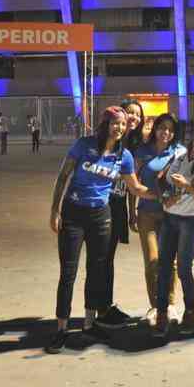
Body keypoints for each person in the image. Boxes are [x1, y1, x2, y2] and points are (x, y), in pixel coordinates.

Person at [46, 106, 155, 354]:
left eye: (124, 124)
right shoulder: (83, 145)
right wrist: (55, 210)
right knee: (68, 273)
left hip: (100, 216)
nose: (120, 127)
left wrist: (163, 195)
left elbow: (135, 188)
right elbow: (63, 176)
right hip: (73, 213)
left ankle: (88, 324)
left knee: (96, 271)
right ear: (105, 124)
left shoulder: (124, 156)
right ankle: (61, 329)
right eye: (115, 123)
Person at [153, 122, 194, 338]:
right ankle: (161, 313)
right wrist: (165, 198)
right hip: (170, 217)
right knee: (163, 266)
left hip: (192, 220)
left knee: (183, 267)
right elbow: (161, 178)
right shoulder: (179, 155)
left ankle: (190, 312)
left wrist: (187, 186)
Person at [129, 113, 184, 325]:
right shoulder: (142, 152)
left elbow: (188, 182)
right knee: (152, 262)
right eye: (162, 127)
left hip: (172, 215)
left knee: (172, 263)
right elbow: (132, 183)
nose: (166, 132)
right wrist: (131, 211)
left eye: (170, 129)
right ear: (155, 129)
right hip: (147, 213)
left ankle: (169, 305)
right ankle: (155, 306)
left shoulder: (180, 152)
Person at [105, 99, 146, 321]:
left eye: (138, 114)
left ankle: (106, 306)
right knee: (102, 257)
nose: (133, 117)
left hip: (119, 203)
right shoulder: (111, 140)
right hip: (104, 202)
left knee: (108, 257)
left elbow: (133, 184)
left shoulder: (136, 145)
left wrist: (132, 211)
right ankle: (101, 308)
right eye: (130, 112)